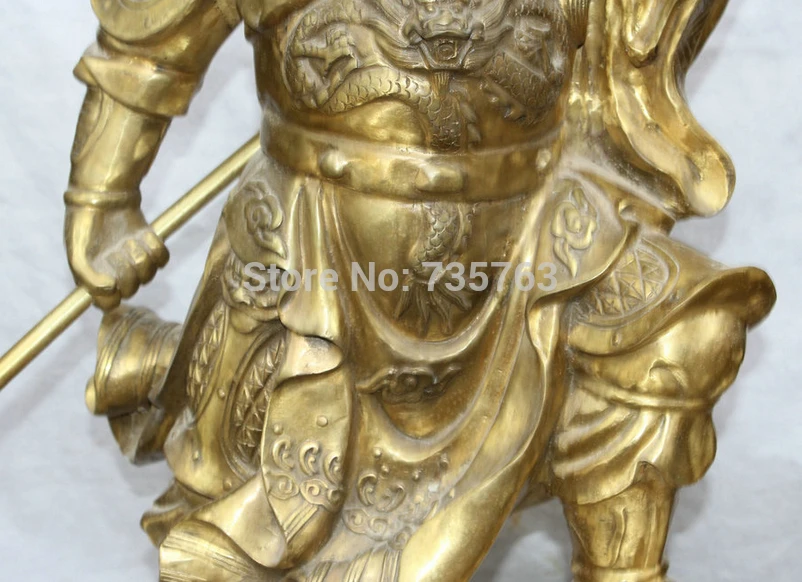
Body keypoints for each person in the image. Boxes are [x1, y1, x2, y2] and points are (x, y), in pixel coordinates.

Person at [68, 1, 775, 580]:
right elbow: (151, 46)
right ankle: (178, 379)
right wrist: (102, 200)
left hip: (543, 248)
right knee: (266, 486)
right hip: (316, 267)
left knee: (687, 335)